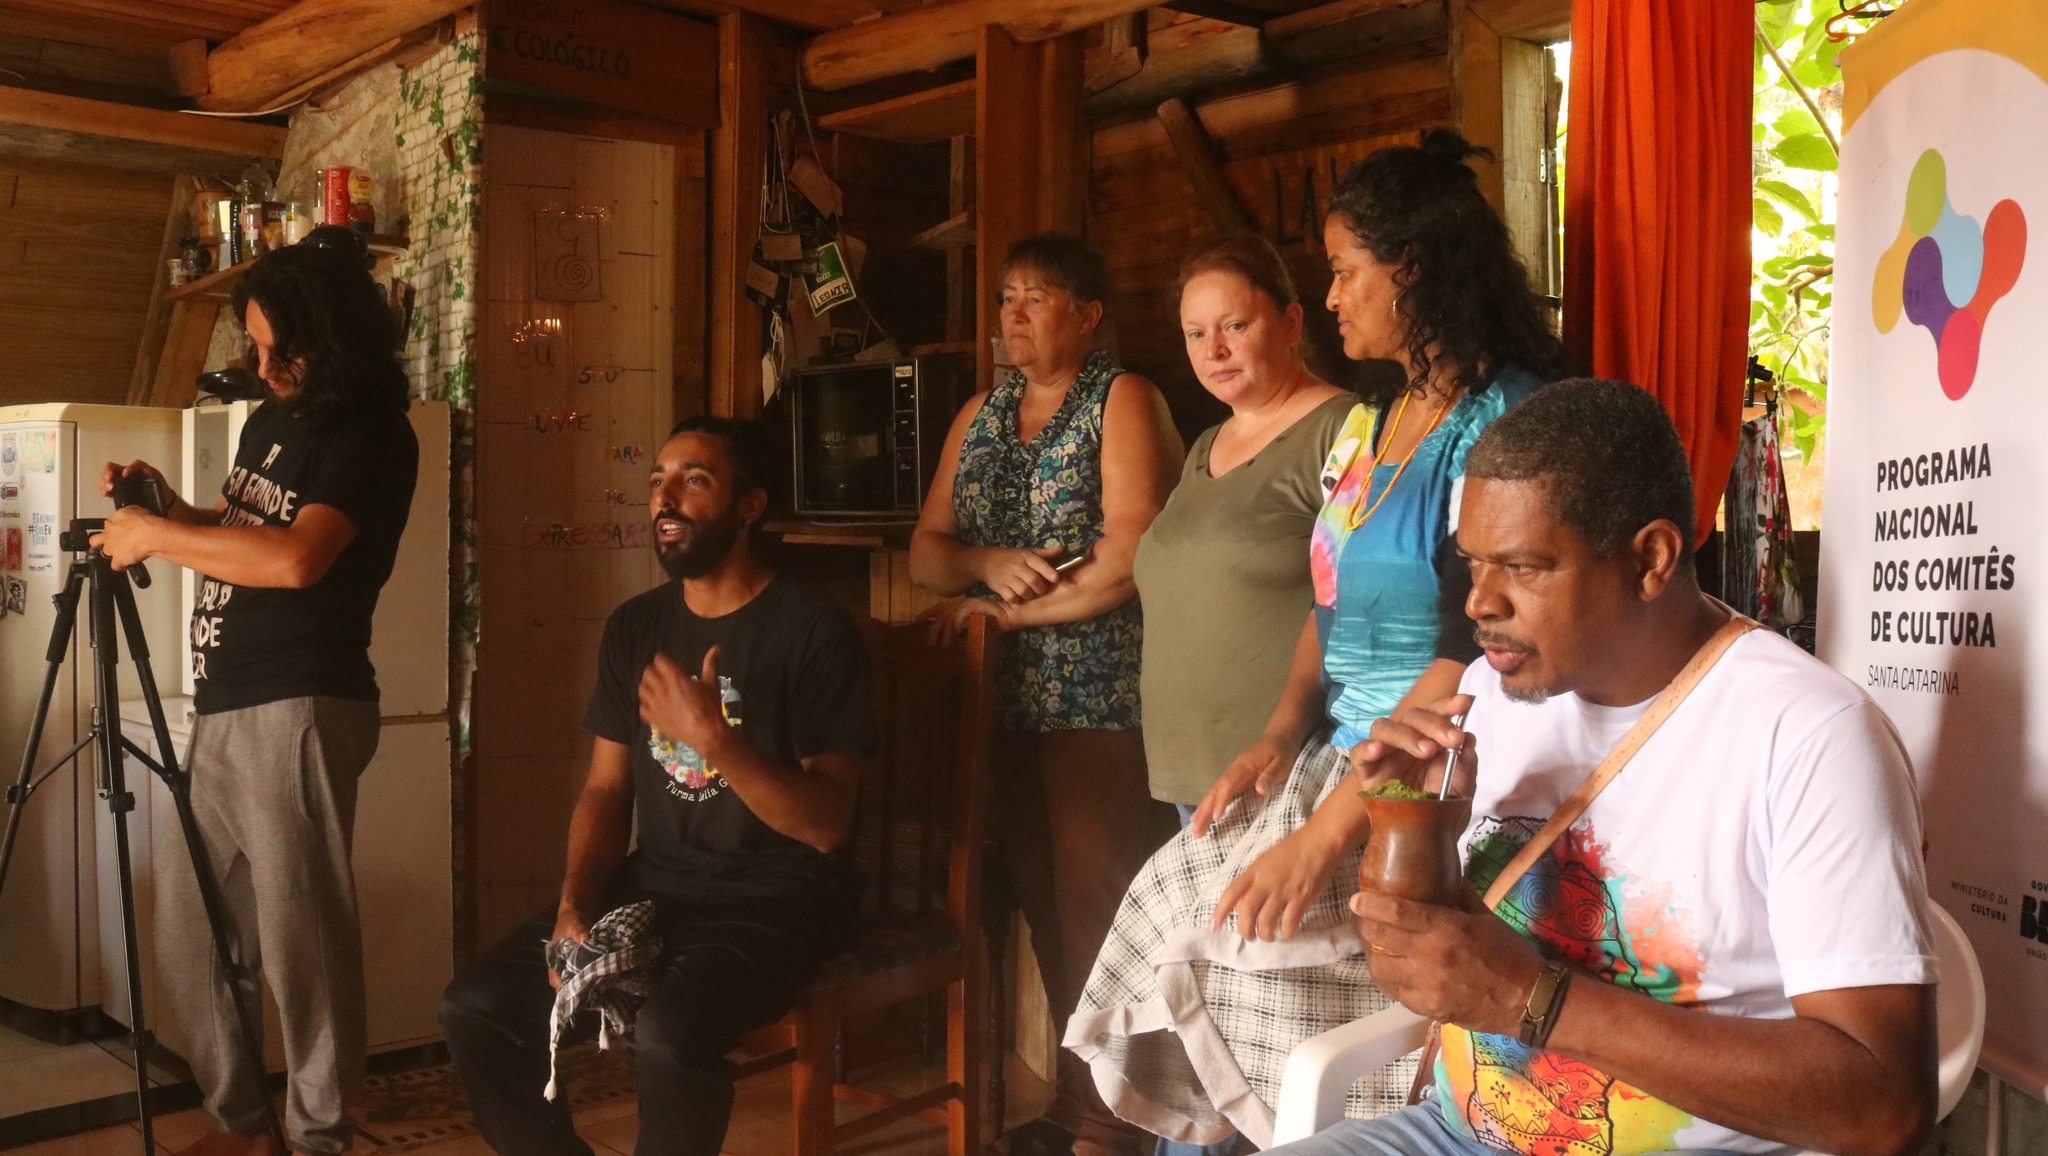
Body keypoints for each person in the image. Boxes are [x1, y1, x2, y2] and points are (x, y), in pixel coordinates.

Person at [1262, 378, 1938, 1156]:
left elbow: (1885, 1106)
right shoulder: (1492, 691)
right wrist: (1412, 828)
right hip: (1452, 1135)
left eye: (1523, 566)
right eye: (1473, 564)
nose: (1479, 602)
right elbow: (1437, 967)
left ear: (1650, 559)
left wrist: (1530, 997)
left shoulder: (1810, 737)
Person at [1066, 131, 1560, 1149]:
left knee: (1239, 963)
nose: (1330, 298)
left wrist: (1323, 837)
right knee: (1177, 930)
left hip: (1427, 788)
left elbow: (1471, 652)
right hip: (1334, 761)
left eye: (1343, 271)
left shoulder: (1500, 424)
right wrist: (1275, 738)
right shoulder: (1374, 423)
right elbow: (1324, 605)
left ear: (1411, 269)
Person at [440, 417, 873, 1156]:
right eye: (657, 482)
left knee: (668, 1036)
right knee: (475, 1006)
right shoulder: (635, 627)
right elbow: (606, 791)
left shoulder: (813, 630)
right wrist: (575, 905)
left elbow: (827, 825)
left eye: (693, 480)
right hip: (657, 886)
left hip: (781, 899)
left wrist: (715, 740)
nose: (665, 500)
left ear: (750, 506)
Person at [90, 239, 420, 1156]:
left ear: (336, 340)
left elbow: (298, 558)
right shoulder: (271, 420)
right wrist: (171, 509)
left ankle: (320, 1137)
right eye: (258, 346)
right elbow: (246, 528)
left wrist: (156, 538)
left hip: (300, 704)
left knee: (301, 941)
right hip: (226, 701)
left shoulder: (370, 433)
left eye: (284, 350)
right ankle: (244, 1127)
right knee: (191, 935)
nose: (266, 367)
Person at [911, 232, 1183, 1156]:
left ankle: (1125, 1121)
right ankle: (1078, 1104)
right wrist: (987, 564)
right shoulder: (981, 414)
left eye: (1035, 297)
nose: (1013, 315)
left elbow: (1132, 553)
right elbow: (927, 554)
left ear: (1088, 313)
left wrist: (1004, 613)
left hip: (1100, 694)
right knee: (1038, 902)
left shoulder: (1123, 399)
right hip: (999, 700)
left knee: (1102, 906)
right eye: (1006, 298)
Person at [1136, 233, 1354, 822]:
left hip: (1279, 769)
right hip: (1189, 768)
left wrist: (1285, 734)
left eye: (1235, 326)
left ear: (1290, 323)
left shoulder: (1345, 429)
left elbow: (1350, 598)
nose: (1214, 350)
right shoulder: (1207, 443)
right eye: (1195, 334)